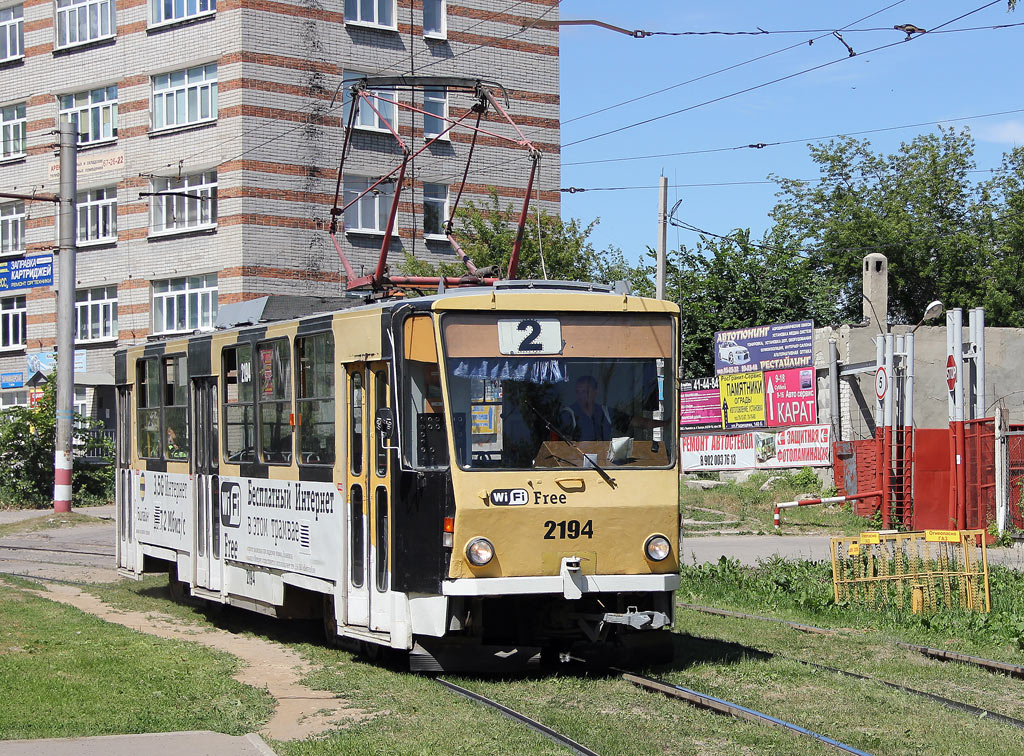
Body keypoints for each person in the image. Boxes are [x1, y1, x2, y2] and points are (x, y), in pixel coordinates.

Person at [562, 375, 612, 442]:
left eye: (584, 391)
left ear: (596, 391)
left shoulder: (606, 412)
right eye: (578, 392)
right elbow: (563, 444)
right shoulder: (569, 414)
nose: (581, 396)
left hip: (605, 451)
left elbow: (628, 424)